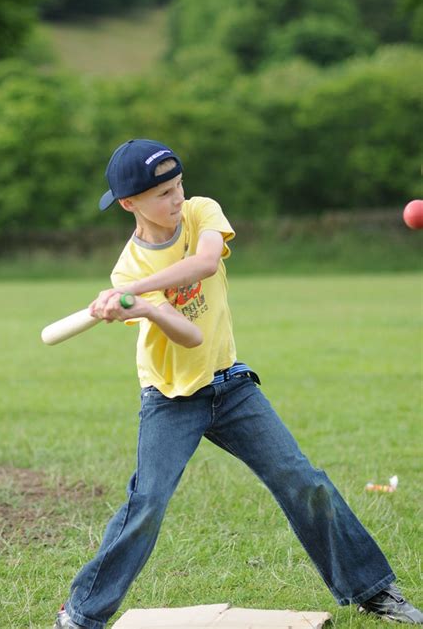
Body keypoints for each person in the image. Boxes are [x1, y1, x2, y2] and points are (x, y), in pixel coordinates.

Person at [54, 139, 422, 629]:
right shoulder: (130, 266)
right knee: (146, 503)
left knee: (303, 482)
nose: (177, 198)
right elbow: (186, 336)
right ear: (129, 203)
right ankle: (81, 614)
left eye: (178, 185)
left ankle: (372, 590)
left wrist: (131, 295)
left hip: (231, 387)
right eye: (163, 193)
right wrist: (143, 306)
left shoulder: (201, 212)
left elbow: (206, 263)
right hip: (170, 399)